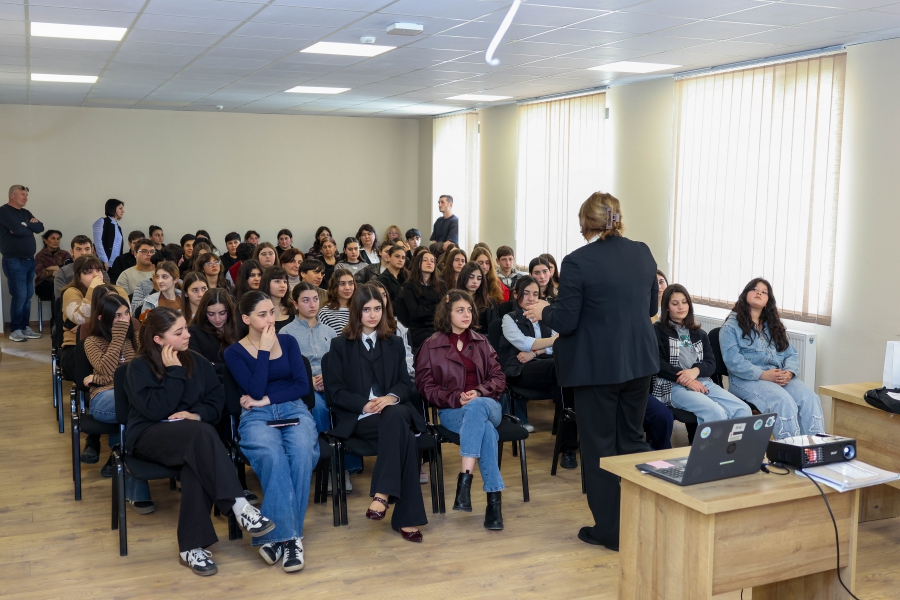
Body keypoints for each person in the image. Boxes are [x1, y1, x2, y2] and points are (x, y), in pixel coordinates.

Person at [523, 192, 659, 552]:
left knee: (600, 446)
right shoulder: (642, 251)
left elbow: (567, 320)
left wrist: (543, 311)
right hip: (639, 363)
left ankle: (611, 532)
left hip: (597, 366)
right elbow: (650, 307)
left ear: (585, 222)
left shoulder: (578, 261)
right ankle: (641, 522)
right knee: (632, 440)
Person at [126, 307, 275, 575]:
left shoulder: (197, 362)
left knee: (197, 453)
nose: (187, 335)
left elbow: (216, 403)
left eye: (186, 328)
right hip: (149, 436)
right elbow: (155, 411)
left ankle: (191, 548)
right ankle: (239, 505)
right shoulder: (138, 367)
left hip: (192, 441)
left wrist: (195, 414)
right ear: (158, 339)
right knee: (202, 434)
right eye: (178, 332)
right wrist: (173, 373)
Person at [224, 291, 319, 572]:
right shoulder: (234, 352)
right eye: (262, 314)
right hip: (255, 416)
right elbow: (252, 389)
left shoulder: (288, 342)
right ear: (246, 319)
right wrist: (264, 350)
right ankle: (293, 539)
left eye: (272, 313)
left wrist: (267, 398)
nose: (269, 319)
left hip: (292, 408)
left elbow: (302, 387)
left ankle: (278, 538)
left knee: (302, 453)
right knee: (272, 456)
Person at [324, 285, 427, 542]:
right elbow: (334, 393)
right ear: (356, 312)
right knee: (404, 436)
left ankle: (382, 494)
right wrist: (364, 404)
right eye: (367, 309)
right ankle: (406, 519)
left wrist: (389, 398)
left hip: (393, 409)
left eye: (378, 309)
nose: (373, 315)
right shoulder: (339, 346)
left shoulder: (393, 343)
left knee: (394, 416)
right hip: (361, 418)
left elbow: (406, 383)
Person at [415, 290, 506, 529]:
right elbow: (425, 387)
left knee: (478, 408)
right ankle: (493, 505)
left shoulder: (481, 341)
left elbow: (498, 377)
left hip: (488, 404)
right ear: (447, 313)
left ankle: (464, 481)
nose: (467, 314)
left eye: (469, 310)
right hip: (452, 411)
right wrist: (455, 397)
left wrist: (478, 392)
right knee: (485, 431)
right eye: (460, 310)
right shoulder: (431, 345)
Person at [720, 278, 825, 439]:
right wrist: (763, 374)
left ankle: (815, 449)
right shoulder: (731, 327)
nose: (759, 293)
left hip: (778, 377)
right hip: (745, 380)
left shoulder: (773, 325)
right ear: (745, 294)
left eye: (764, 292)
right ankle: (790, 452)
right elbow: (734, 362)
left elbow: (791, 354)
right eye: (755, 289)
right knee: (783, 401)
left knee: (810, 398)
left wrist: (789, 372)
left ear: (768, 301)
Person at [281, 283, 361, 489]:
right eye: (306, 300)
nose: (312, 304)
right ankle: (328, 467)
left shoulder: (330, 330)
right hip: (303, 387)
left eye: (315, 299)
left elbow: (339, 362)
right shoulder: (286, 333)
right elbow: (285, 368)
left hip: (330, 382)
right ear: (295, 304)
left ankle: (346, 467)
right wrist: (310, 380)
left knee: (348, 403)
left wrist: (329, 377)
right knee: (318, 407)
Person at [82, 293, 153, 511]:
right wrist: (118, 338)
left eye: (126, 314)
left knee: (134, 414)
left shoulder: (138, 337)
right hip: (105, 398)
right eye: (117, 316)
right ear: (103, 319)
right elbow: (107, 369)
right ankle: (127, 466)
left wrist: (97, 378)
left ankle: (119, 455)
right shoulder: (92, 341)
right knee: (139, 410)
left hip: (132, 395)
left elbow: (142, 372)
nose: (124, 320)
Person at [652, 285, 750, 424]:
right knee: (716, 412)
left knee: (743, 409)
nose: (681, 307)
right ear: (667, 307)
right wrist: (687, 379)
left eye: (684, 302)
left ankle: (733, 445)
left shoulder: (698, 333)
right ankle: (712, 446)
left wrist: (695, 371)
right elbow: (658, 364)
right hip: (671, 386)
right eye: (675, 303)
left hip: (702, 382)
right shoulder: (657, 331)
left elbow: (711, 363)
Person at [499, 276, 561, 436]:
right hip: (519, 370)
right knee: (559, 366)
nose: (531, 298)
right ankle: (566, 428)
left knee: (563, 376)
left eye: (535, 294)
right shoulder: (509, 319)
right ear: (516, 294)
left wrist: (536, 352)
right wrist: (552, 341)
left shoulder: (545, 317)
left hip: (543, 365)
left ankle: (563, 430)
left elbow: (557, 346)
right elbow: (525, 343)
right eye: (526, 293)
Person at [59, 255, 128, 377]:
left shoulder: (117, 290)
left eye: (98, 270)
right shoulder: (71, 292)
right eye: (89, 272)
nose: (96, 275)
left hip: (114, 344)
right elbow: (79, 318)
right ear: (78, 276)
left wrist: (87, 326)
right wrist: (92, 290)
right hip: (77, 346)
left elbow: (125, 318)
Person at [1, 184, 44, 341]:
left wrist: (26, 224)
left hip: (29, 260)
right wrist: (27, 227)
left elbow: (40, 227)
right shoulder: (4, 211)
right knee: (20, 295)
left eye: (26, 194)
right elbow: (17, 230)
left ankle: (24, 327)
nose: (25, 197)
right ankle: (15, 330)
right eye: (22, 194)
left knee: (28, 295)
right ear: (12, 195)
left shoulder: (25, 213)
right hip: (13, 261)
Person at [397, 250, 446, 350]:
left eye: (432, 261)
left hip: (438, 326)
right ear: (418, 263)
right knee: (435, 340)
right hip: (419, 329)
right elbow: (415, 312)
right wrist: (437, 306)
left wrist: (425, 308)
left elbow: (445, 309)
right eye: (425, 260)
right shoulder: (409, 286)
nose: (429, 263)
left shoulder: (441, 285)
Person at [189, 288, 238, 368]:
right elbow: (198, 365)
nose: (217, 319)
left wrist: (214, 365)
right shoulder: (194, 331)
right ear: (204, 312)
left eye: (222, 313)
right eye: (211, 314)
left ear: (229, 311)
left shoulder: (239, 327)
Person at [130, 245, 182, 315]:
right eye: (158, 277)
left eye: (170, 265)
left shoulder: (182, 286)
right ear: (153, 267)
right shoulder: (142, 284)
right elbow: (134, 312)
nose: (160, 281)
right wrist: (154, 291)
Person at [457, 262, 498, 334]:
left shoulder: (489, 302)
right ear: (463, 277)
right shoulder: (454, 299)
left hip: (482, 340)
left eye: (479, 278)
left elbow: (494, 329)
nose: (475, 281)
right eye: (471, 277)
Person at [34, 229, 70, 300]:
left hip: (63, 282)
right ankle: (57, 311)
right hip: (44, 284)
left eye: (58, 239)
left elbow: (69, 269)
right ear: (45, 240)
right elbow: (40, 273)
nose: (56, 241)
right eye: (53, 238)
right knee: (56, 288)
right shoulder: (40, 256)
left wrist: (55, 268)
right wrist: (53, 272)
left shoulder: (65, 254)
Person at [317, 268, 355, 335]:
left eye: (350, 283)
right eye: (342, 284)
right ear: (334, 286)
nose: (347, 287)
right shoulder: (325, 313)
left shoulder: (359, 309)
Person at [259, 266, 295, 332]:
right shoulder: (258, 309)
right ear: (266, 283)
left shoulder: (291, 307)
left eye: (285, 282)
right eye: (277, 281)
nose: (283, 285)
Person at [91, 199, 124, 270]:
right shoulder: (102, 221)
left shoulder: (118, 227)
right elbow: (98, 242)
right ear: (113, 208)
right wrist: (104, 260)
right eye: (120, 208)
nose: (123, 211)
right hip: (103, 263)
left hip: (115, 265)